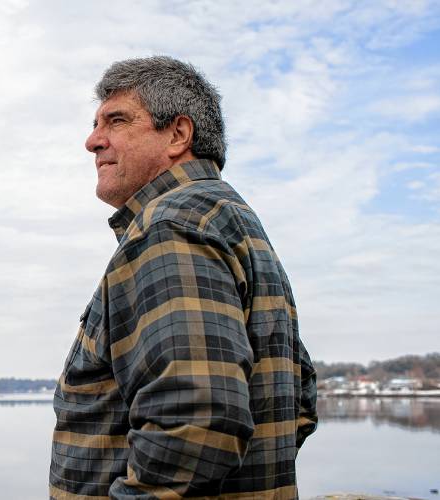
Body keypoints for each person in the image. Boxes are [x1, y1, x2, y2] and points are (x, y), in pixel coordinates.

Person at [50, 56, 318, 499]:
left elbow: (194, 424)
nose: (92, 141)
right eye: (96, 124)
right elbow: (299, 402)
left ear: (178, 134)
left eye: (116, 121)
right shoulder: (226, 221)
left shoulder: (171, 226)